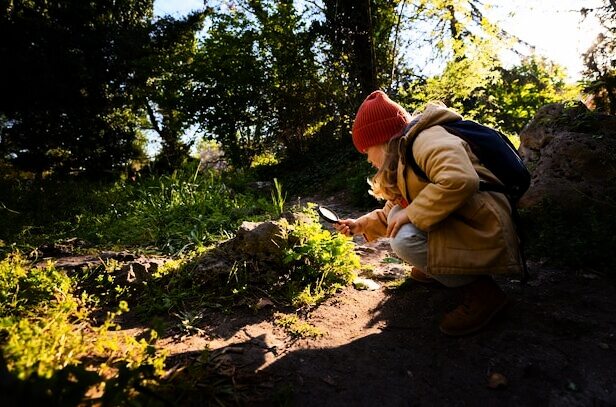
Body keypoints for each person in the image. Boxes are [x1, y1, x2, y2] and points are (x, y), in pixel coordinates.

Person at [334, 90, 523, 336]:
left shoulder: (427, 140)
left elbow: (459, 179)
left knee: (403, 240)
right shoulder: (406, 153)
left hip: (486, 223)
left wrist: (411, 213)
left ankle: (483, 293)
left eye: (366, 150)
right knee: (399, 221)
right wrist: (362, 225)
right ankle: (441, 267)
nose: (367, 159)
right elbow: (399, 206)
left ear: (382, 140)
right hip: (469, 220)